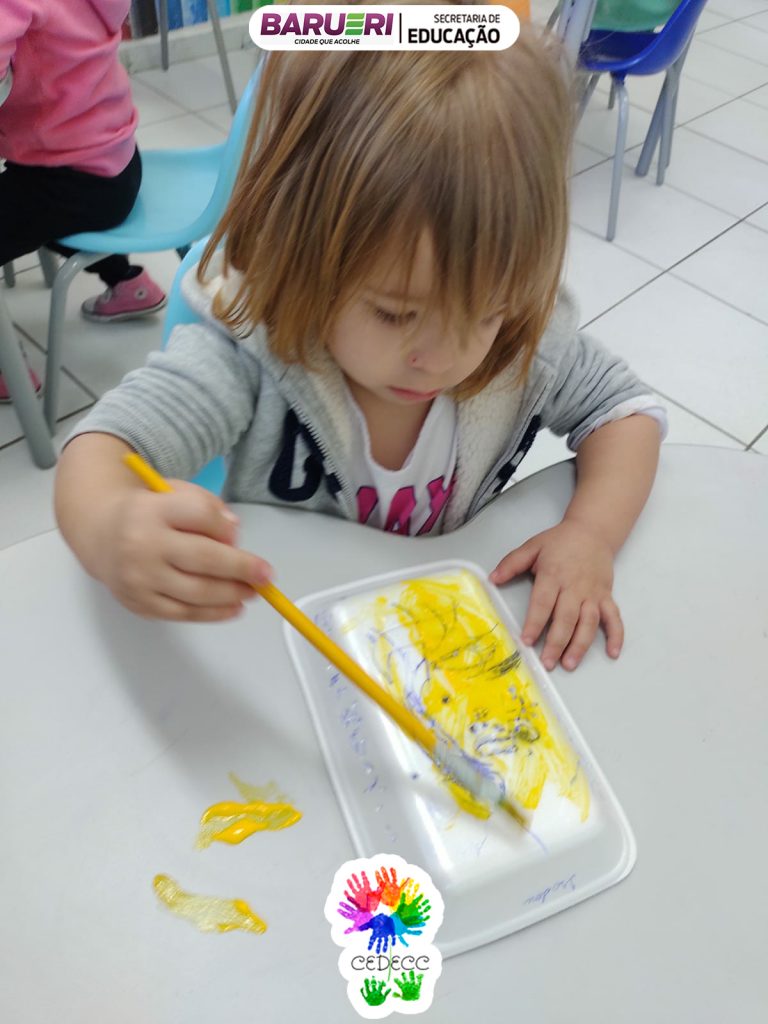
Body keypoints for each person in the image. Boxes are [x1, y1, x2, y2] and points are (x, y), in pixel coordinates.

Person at [55, 29, 666, 674]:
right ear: (303, 255)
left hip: (432, 644)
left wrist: (590, 533)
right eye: (395, 313)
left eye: (485, 312)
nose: (442, 358)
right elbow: (105, 447)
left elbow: (626, 412)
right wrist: (110, 526)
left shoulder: (522, 341)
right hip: (293, 648)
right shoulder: (249, 354)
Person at [0, 0, 166, 402]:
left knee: (34, 212)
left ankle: (7, 367)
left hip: (66, 179)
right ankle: (127, 282)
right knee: (36, 214)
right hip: (116, 163)